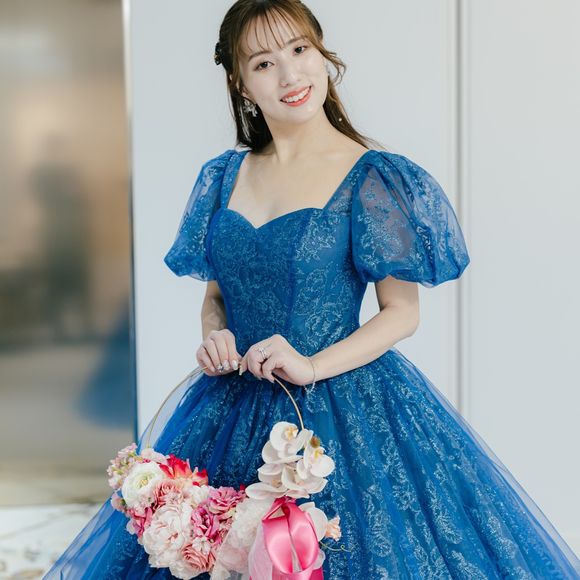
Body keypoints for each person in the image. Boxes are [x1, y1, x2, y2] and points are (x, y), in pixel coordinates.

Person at [45, 1, 580, 578]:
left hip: (338, 405)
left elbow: (401, 312)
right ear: (241, 83)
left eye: (300, 50)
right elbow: (217, 296)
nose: (290, 75)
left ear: (323, 55)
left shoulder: (375, 176)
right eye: (264, 63)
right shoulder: (223, 176)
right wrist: (215, 336)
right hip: (229, 403)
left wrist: (311, 365)